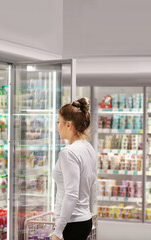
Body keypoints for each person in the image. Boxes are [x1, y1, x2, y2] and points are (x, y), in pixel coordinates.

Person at [52, 97, 97, 240]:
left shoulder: (68, 153)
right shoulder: (88, 148)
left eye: (59, 122)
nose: (58, 126)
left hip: (70, 224)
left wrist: (58, 230)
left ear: (69, 125)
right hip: (84, 220)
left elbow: (71, 194)